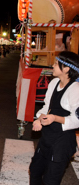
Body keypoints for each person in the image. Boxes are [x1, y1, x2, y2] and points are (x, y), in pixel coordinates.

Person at [30, 51, 79, 185]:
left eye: (56, 64)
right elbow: (46, 107)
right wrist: (39, 119)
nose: (53, 65)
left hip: (62, 141)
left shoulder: (76, 89)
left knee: (50, 180)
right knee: (34, 170)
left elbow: (77, 119)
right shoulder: (54, 83)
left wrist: (55, 118)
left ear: (67, 69)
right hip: (47, 137)